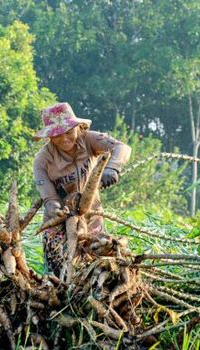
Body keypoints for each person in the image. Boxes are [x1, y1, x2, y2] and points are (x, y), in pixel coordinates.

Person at [32, 102, 131, 273]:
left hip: (92, 218)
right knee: (59, 273)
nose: (64, 139)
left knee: (98, 266)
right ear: (49, 136)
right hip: (58, 227)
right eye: (57, 136)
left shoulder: (90, 139)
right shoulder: (42, 160)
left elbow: (122, 148)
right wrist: (56, 209)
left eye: (69, 132)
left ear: (77, 127)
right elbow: (49, 198)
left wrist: (112, 167)